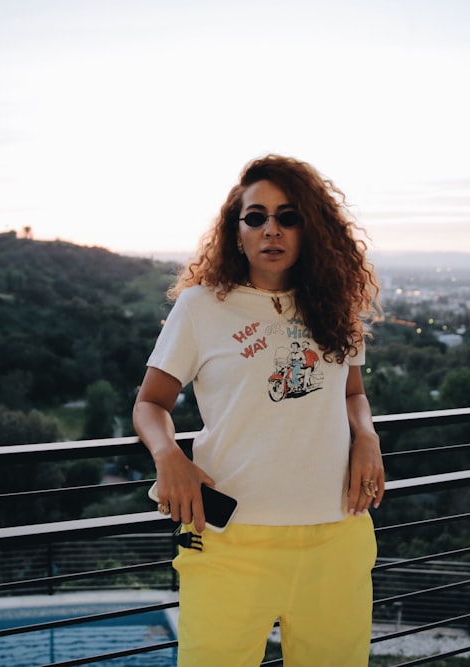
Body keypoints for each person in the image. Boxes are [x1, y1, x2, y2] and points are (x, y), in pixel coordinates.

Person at [132, 154, 385, 666]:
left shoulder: (334, 305)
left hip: (336, 536)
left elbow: (352, 392)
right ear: (237, 230)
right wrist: (169, 456)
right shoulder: (202, 306)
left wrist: (368, 437)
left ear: (310, 228)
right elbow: (150, 403)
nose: (272, 229)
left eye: (288, 216)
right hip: (230, 542)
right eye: (256, 217)